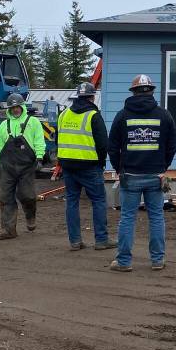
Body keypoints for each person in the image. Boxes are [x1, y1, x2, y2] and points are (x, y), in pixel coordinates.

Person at [107, 74, 176, 272]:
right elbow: (173, 144)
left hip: (130, 176)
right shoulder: (164, 115)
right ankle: (157, 260)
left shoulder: (122, 115)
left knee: (127, 218)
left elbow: (112, 146)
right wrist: (164, 166)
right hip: (155, 175)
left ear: (133, 92)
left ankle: (123, 262)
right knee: (156, 217)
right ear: (151, 91)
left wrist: (119, 168)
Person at [57, 82, 111, 251]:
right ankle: (101, 240)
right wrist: (101, 163)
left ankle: (75, 241)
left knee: (72, 202)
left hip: (68, 165)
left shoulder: (64, 114)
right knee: (99, 201)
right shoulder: (93, 115)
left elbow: (57, 139)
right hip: (89, 166)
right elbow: (103, 144)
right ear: (92, 97)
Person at [0, 92, 46, 239]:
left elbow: (39, 141)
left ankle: (30, 216)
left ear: (22, 106)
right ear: (9, 109)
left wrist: (40, 158)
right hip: (7, 167)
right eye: (12, 107)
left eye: (17, 107)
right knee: (5, 198)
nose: (15, 109)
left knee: (27, 195)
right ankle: (9, 230)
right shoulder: (4, 125)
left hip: (27, 166)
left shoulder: (33, 122)